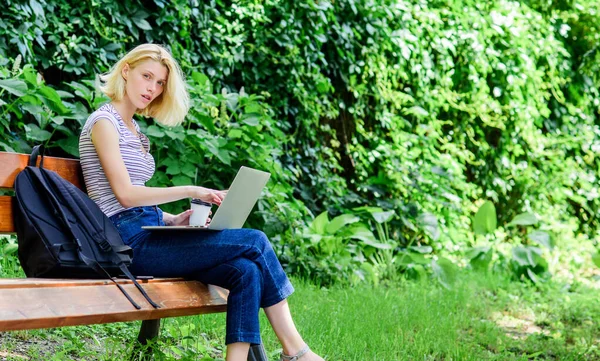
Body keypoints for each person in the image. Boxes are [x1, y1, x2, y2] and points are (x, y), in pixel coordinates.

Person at [78, 43, 325, 361]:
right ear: (126, 71)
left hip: (146, 231)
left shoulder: (135, 131)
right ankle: (296, 350)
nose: (152, 88)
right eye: (147, 76)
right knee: (256, 241)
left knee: (245, 270)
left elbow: (131, 199)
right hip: (125, 245)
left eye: (160, 83)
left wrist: (170, 220)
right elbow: (124, 196)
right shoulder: (103, 123)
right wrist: (190, 189)